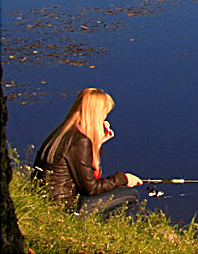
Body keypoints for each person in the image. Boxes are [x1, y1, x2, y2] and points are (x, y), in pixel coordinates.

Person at [33, 88, 142, 217]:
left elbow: (85, 175)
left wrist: (98, 143)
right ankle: (92, 226)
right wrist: (123, 179)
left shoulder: (64, 131)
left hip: (48, 200)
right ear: (96, 115)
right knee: (131, 195)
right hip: (63, 207)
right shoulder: (80, 141)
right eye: (104, 115)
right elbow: (92, 188)